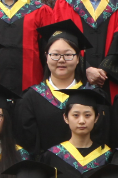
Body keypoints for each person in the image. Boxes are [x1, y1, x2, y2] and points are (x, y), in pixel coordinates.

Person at [15, 20, 97, 153]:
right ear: (46, 57)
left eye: (68, 55)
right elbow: (26, 144)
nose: (61, 60)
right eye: (55, 55)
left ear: (78, 58)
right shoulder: (30, 98)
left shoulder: (94, 96)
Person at [41, 87, 113, 178]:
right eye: (75, 115)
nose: (82, 121)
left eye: (88, 115)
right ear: (65, 118)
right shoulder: (52, 156)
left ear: (96, 118)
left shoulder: (108, 157)